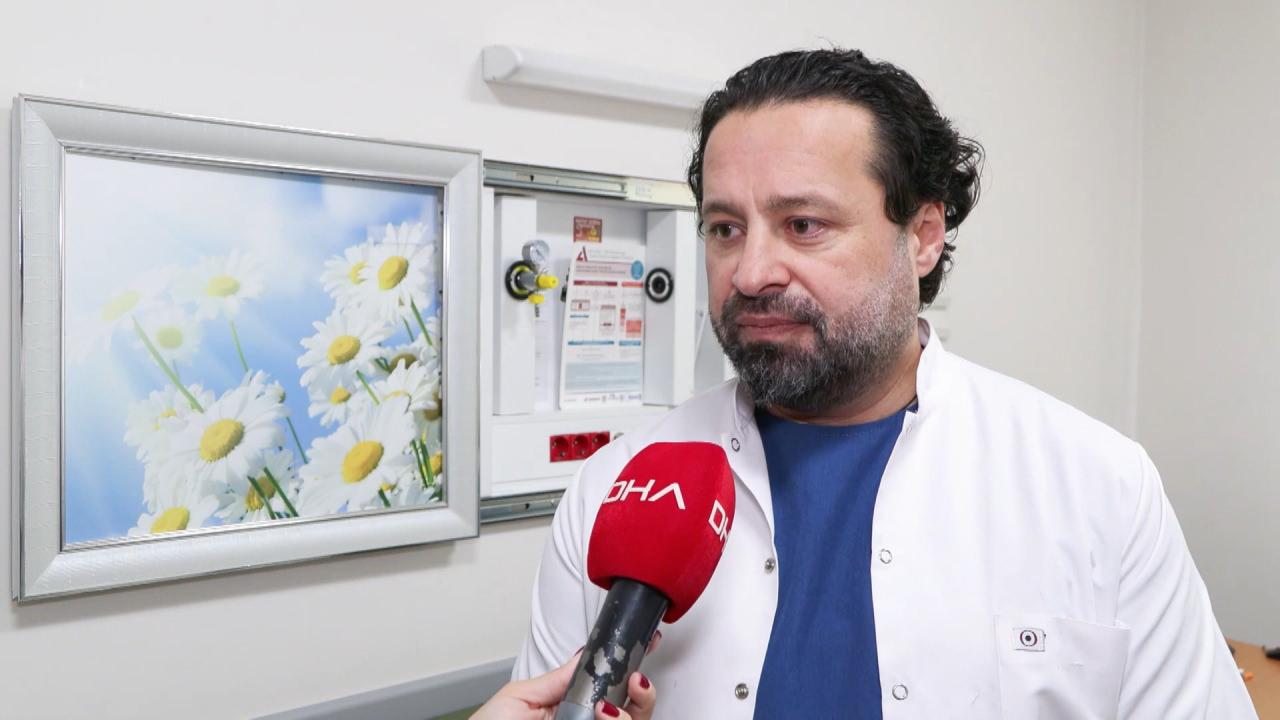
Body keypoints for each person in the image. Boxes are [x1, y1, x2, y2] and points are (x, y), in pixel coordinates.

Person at [512, 48, 1257, 718]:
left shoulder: (1098, 486)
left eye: (804, 224)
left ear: (923, 236)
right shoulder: (616, 487)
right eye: (725, 229)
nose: (751, 271)